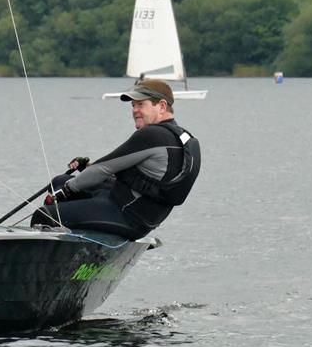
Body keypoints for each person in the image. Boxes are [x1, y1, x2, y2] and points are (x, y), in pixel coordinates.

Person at [31, 79, 201, 239]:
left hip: (126, 215)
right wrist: (84, 169)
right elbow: (135, 176)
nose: (135, 110)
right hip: (136, 212)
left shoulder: (152, 135)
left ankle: (51, 264)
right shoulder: (181, 138)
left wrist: (64, 192)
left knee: (44, 215)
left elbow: (102, 169)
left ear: (162, 106)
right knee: (59, 181)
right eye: (133, 105)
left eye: (141, 104)